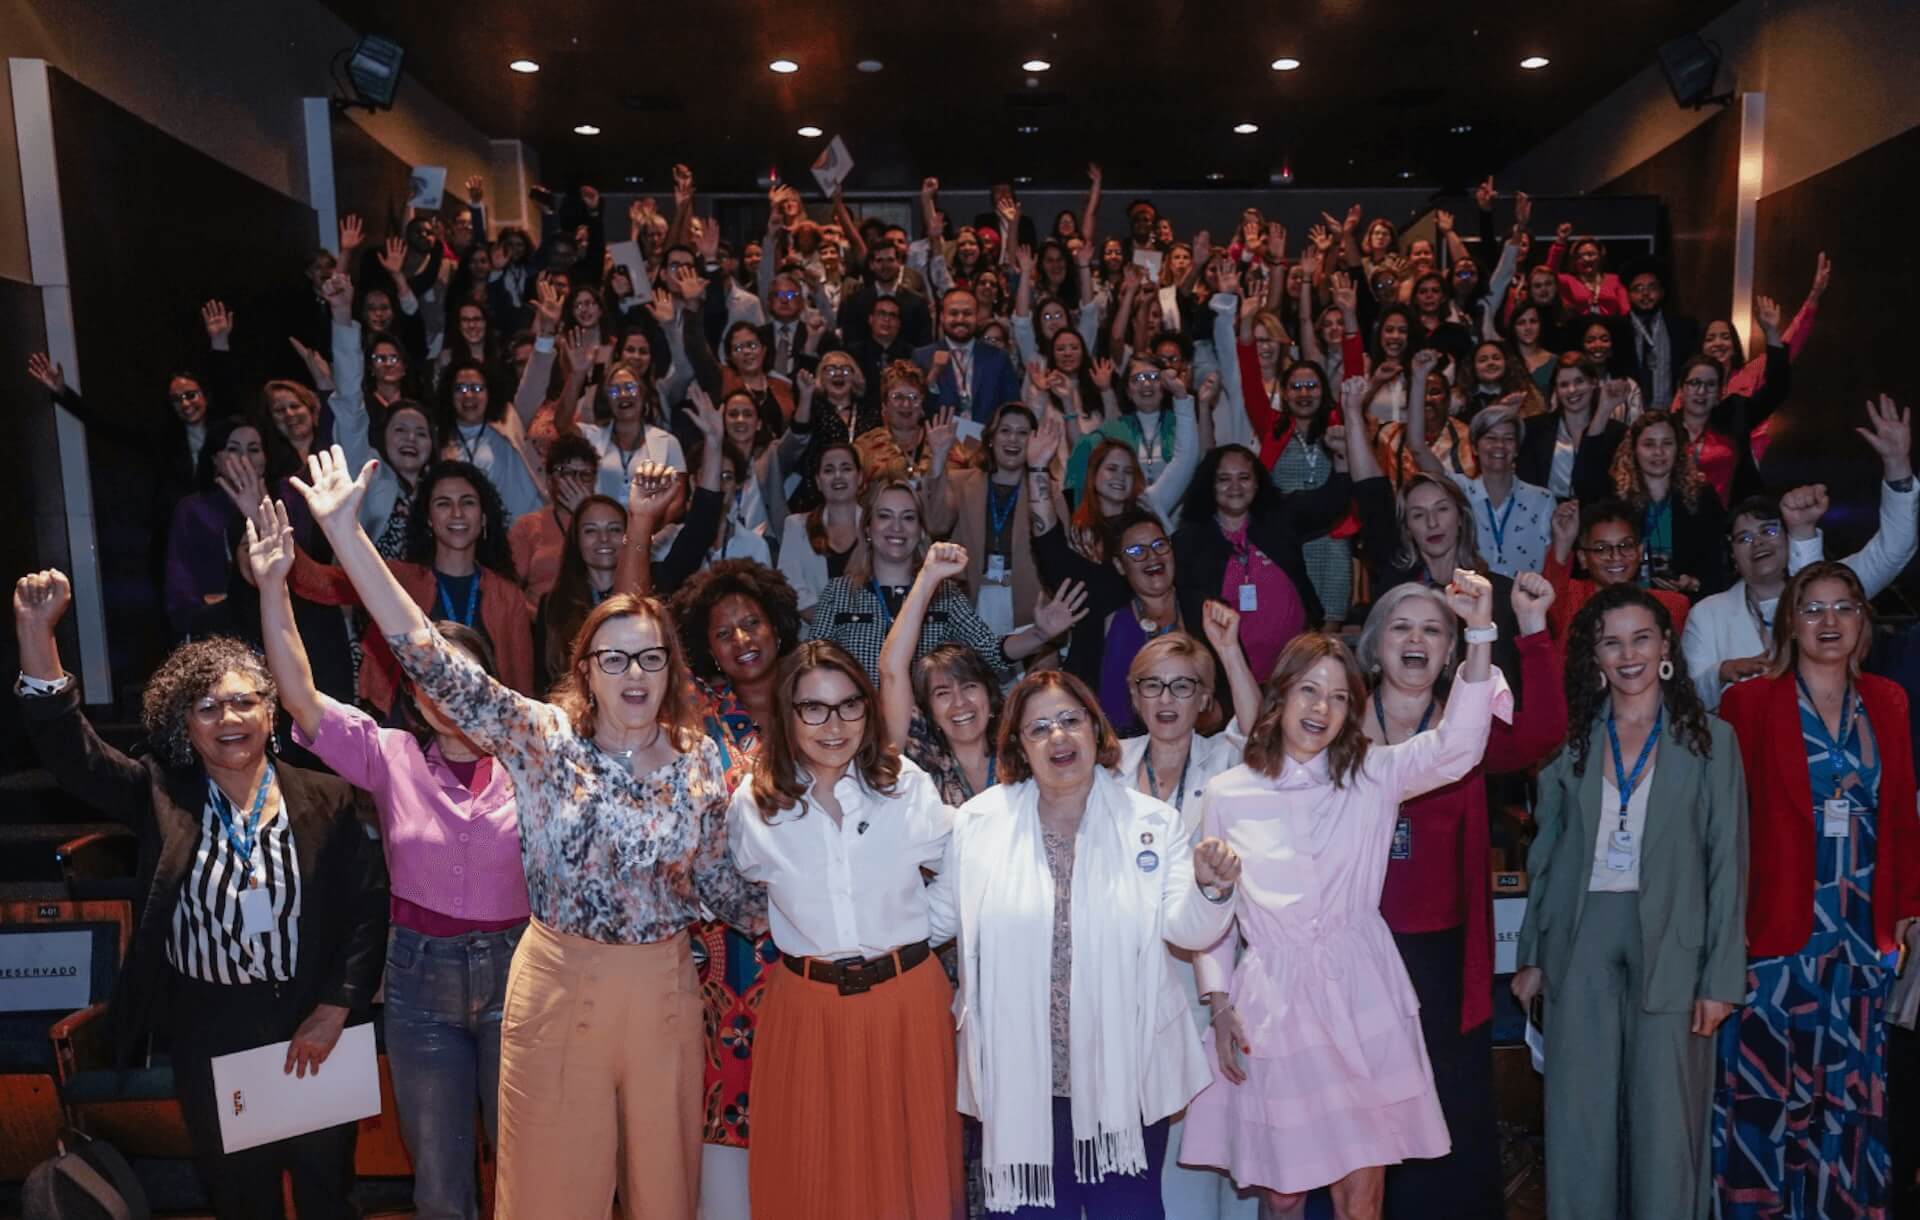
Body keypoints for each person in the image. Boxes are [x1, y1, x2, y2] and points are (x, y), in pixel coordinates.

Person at [288, 444, 767, 1219]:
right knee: (549, 1196)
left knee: (665, 1197)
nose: (635, 674)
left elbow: (719, 887)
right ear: (587, 669)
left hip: (665, 996)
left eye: (651, 657)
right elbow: (434, 661)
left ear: (671, 668)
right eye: (615, 658)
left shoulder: (699, 763)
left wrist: (825, 911)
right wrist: (347, 537)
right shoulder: (542, 739)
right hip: (556, 988)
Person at [14, 569, 386, 1220]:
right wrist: (36, 635)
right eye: (207, 707)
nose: (228, 717)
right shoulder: (161, 794)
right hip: (214, 1032)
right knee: (243, 1201)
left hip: (313, 1025)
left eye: (243, 701)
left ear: (270, 712)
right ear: (185, 727)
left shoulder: (325, 797)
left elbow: (365, 909)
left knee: (330, 1196)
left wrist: (335, 1008)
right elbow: (75, 758)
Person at [1182, 572, 1505, 1218]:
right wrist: (1218, 1006)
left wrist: (1479, 633)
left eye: (1337, 696)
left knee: (1362, 1190)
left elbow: (1460, 747)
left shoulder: (1374, 776)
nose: (1322, 709)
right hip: (1270, 1000)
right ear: (1279, 699)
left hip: (1364, 989)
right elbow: (1213, 914)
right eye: (1309, 690)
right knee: (1282, 1189)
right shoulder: (1226, 793)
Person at [245, 498, 525, 1220]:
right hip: (418, 981)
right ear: (410, 691)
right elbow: (301, 699)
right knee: (437, 1182)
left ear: (491, 685)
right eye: (432, 678)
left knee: (527, 1171)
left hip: (520, 975)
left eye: (464, 677)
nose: (448, 693)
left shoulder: (534, 760)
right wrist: (274, 585)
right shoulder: (390, 754)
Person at [925, 669, 1243, 1215]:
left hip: (1124, 1077)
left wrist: (1211, 890)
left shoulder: (1151, 822)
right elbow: (932, 922)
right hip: (1020, 1081)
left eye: (1071, 720)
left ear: (1096, 732)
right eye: (1039, 726)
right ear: (1020, 747)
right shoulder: (980, 823)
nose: (1058, 736)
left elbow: (1186, 928)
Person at [1511, 584, 1747, 1220]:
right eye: (1611, 642)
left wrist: (1721, 977)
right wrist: (1532, 953)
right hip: (1581, 934)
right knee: (1579, 1116)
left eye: (1641, 638)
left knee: (1666, 1123)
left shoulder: (1712, 743)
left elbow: (1728, 863)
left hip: (1675, 939)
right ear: (1595, 657)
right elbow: (1547, 854)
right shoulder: (1573, 741)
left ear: (1666, 646)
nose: (1629, 654)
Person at [727, 642, 964, 1219]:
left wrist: (914, 938)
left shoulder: (905, 785)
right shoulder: (755, 807)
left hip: (907, 1006)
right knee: (811, 1179)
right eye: (813, 708)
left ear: (868, 708)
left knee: (912, 1178)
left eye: (848, 706)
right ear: (787, 715)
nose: (833, 726)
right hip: (806, 1011)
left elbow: (961, 864)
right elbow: (744, 893)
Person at [1356, 575, 1566, 1219]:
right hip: (1354, 952)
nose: (1415, 640)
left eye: (1432, 630)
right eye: (1401, 627)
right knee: (1361, 1112)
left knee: (1447, 1107)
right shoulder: (1334, 717)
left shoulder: (1465, 721)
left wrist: (1530, 626)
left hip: (1446, 956)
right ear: (1375, 647)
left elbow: (1543, 735)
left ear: (1452, 652)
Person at [1715, 561, 1920, 1219]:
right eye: (1813, 608)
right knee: (1767, 1099)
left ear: (1862, 621)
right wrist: (1725, 930)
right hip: (1775, 937)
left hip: (1862, 940)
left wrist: (1911, 913)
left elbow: (1902, 822)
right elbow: (1723, 829)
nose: (1829, 622)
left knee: (1851, 1099)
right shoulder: (1747, 704)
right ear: (1789, 622)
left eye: (1844, 607)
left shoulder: (1888, 701)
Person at [667, 558, 805, 1217]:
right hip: (720, 954)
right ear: (709, 649)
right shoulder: (697, 721)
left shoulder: (818, 704)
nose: (742, 639)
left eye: (752, 623)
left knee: (806, 1099)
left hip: (807, 939)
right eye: (725, 633)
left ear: (777, 626)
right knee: (721, 1101)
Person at [1115, 610, 1263, 1219]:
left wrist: (1228, 651)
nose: (1167, 698)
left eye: (1183, 685)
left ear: (1205, 698)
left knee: (1219, 1119)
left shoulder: (1226, 761)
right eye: (1153, 684)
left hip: (1212, 968)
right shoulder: (1108, 766)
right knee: (1161, 1128)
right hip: (1133, 971)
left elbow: (1260, 731)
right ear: (1134, 695)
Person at [1684, 395, 1916, 708]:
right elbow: (1684, 698)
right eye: (1744, 538)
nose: (1759, 543)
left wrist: (1897, 465)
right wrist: (1721, 673)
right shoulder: (1708, 615)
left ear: (1787, 538)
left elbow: (1896, 547)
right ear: (1732, 556)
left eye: (1768, 531)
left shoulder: (1832, 591)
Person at [289, 460, 535, 713]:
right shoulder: (398, 578)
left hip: (485, 731)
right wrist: (264, 521)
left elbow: (523, 691)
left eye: (468, 502)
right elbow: (317, 582)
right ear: (428, 519)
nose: (457, 512)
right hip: (408, 729)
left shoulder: (507, 594)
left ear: (484, 517)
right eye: (443, 503)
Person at [879, 541, 1087, 806]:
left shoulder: (1023, 751)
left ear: (990, 694)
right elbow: (891, 670)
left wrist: (1041, 634)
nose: (960, 702)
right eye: (942, 693)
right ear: (928, 710)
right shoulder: (922, 755)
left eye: (968, 687)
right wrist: (928, 577)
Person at [803, 479, 1051, 686]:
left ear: (921, 530)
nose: (897, 527)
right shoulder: (839, 593)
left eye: (908, 517)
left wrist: (1041, 633)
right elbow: (810, 666)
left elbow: (990, 653)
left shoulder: (944, 593)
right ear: (868, 527)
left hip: (927, 732)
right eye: (885, 516)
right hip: (862, 727)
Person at [1174, 444, 1352, 678]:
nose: (1235, 487)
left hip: (1293, 672)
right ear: (1210, 486)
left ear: (1258, 482)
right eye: (1224, 479)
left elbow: (1333, 502)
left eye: (1244, 477)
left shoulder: (1281, 521)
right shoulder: (1188, 541)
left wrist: (1340, 455)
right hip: (1226, 679)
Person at [1607, 409, 1729, 596]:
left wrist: (1695, 583)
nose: (1659, 452)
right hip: (1629, 601)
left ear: (1678, 449)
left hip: (1688, 604)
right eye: (1649, 444)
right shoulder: (1616, 498)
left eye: (1667, 443)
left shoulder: (1703, 496)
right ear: (1634, 449)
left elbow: (1719, 560)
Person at [1542, 498, 1694, 644]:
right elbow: (1547, 611)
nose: (1615, 556)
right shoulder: (1567, 599)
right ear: (1583, 559)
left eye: (1625, 546)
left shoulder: (1672, 606)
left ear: (1640, 552)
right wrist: (1563, 542)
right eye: (1602, 549)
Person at [777, 440, 863, 619]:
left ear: (860, 477)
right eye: (829, 470)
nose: (838, 476)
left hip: (869, 636)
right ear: (818, 481)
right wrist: (832, 625)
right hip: (814, 639)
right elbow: (792, 588)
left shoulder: (876, 526)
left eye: (846, 468)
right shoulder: (796, 526)